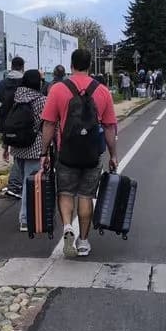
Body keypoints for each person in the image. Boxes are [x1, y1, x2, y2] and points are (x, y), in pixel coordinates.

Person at [39, 49, 118, 258]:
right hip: (92, 154)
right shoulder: (102, 91)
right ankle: (83, 242)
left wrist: (44, 152)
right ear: (90, 65)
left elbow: (48, 123)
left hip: (66, 153)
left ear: (71, 64)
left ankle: (67, 226)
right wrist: (113, 155)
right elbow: (110, 127)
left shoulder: (58, 89)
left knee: (65, 192)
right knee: (86, 196)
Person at [2, 70, 47, 232]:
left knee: (24, 184)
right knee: (30, 186)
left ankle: (26, 216)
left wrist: (5, 147)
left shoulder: (15, 97)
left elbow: (8, 123)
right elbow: (47, 126)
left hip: (17, 148)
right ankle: (25, 219)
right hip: (33, 149)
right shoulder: (42, 100)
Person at [0, 56, 25, 198]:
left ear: (11, 66)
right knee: (19, 155)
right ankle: (15, 185)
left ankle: (16, 184)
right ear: (22, 67)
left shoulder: (0, 85)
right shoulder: (25, 83)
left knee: (16, 153)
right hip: (22, 126)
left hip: (5, 126)